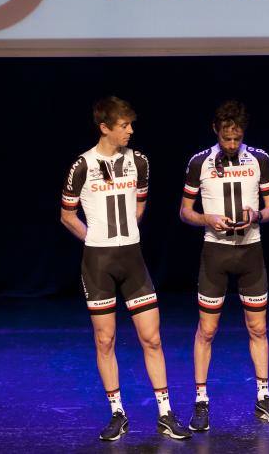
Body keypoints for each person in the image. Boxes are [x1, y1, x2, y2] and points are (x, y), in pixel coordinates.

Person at [60, 96, 191, 441]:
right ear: (105, 128)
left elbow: (141, 203)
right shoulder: (83, 165)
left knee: (152, 337)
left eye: (131, 125)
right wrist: (95, 240)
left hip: (132, 260)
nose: (131, 131)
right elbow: (67, 215)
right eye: (124, 126)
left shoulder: (140, 161)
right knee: (105, 340)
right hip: (98, 263)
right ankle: (117, 413)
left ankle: (165, 413)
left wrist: (126, 235)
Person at [180, 100, 269, 431]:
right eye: (227, 139)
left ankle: (263, 397)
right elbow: (185, 212)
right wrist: (207, 219)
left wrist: (256, 215)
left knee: (258, 328)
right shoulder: (200, 162)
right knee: (208, 330)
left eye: (237, 139)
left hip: (250, 252)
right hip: (215, 253)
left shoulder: (259, 159)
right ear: (216, 130)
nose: (231, 145)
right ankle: (201, 401)